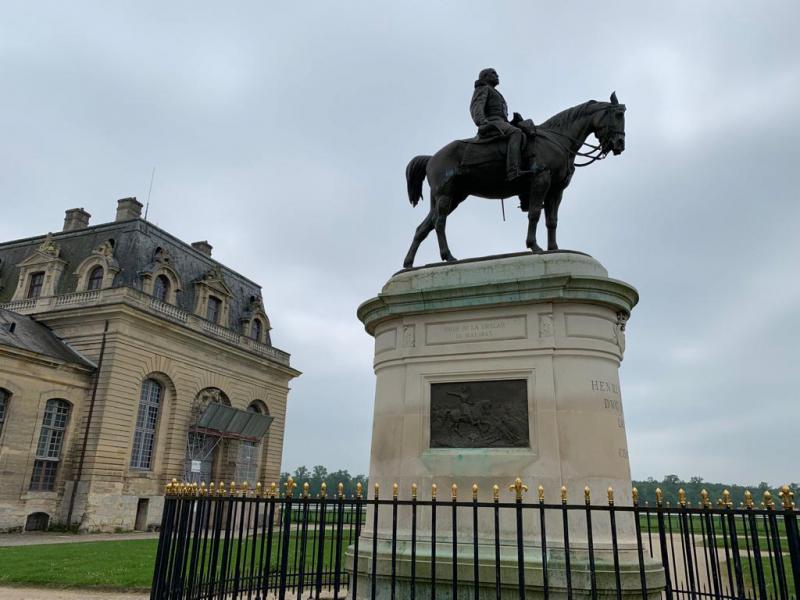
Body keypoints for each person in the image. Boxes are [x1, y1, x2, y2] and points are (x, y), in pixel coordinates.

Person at [470, 68, 531, 181]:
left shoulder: (494, 91)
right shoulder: (483, 88)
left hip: (501, 122)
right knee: (516, 132)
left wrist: (513, 122)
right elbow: (476, 106)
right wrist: (482, 122)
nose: (497, 75)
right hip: (492, 121)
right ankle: (513, 170)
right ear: (485, 76)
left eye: (497, 73)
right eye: (493, 73)